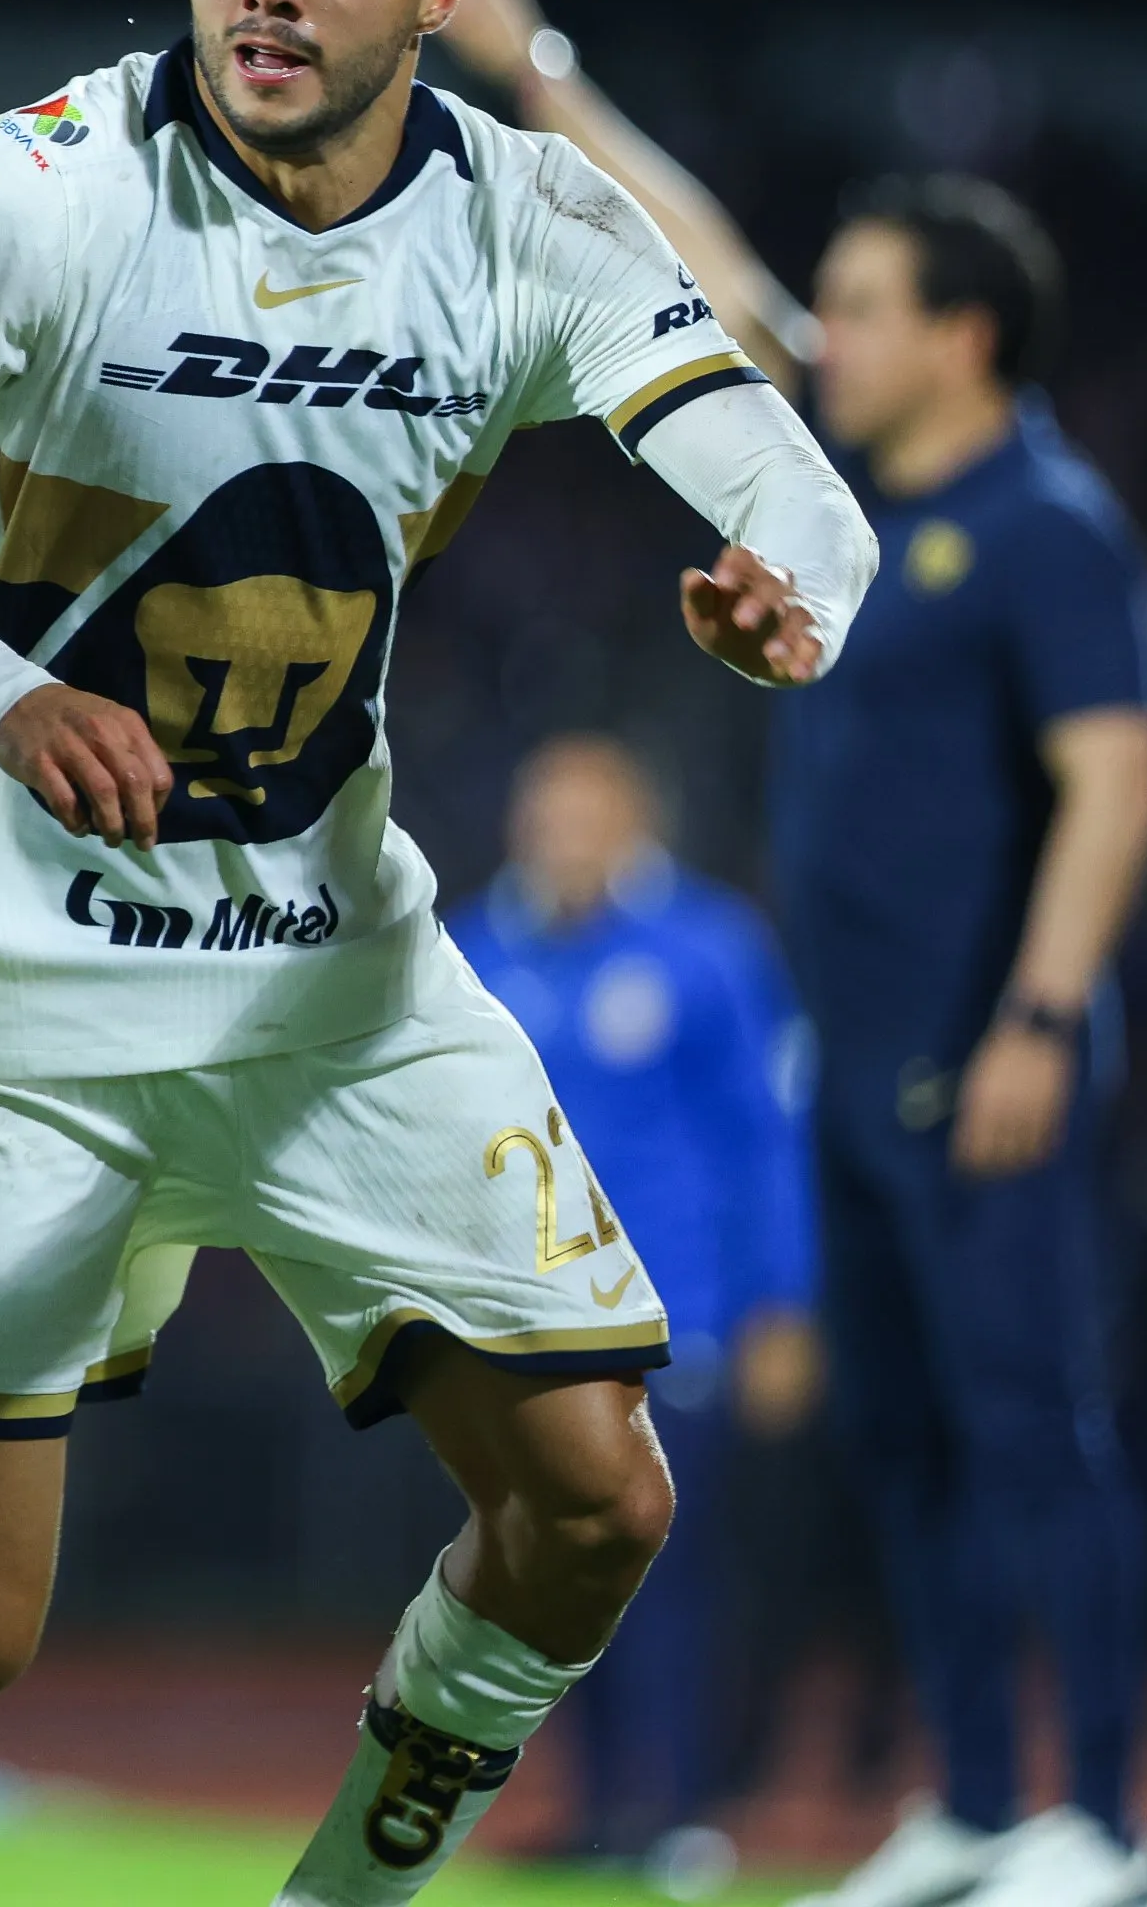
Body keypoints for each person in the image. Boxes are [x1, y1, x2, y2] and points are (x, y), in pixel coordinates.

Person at [0, 0, 879, 1906]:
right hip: (14, 1014)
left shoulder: (521, 222)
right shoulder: (37, 191)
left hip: (334, 993)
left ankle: (346, 1887)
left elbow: (787, 471)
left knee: (598, 1500)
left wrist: (796, 591)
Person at [450, 0, 1147, 1907]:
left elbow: (1115, 781)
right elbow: (700, 266)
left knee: (1035, 1436)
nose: (818, 329)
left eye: (858, 305)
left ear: (962, 336)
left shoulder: (1042, 529)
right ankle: (974, 1801)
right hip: (851, 1064)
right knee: (909, 1447)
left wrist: (1041, 1016)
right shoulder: (849, 490)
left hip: (983, 1052)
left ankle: (1105, 1819)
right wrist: (533, 66)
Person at [454, 734, 819, 1883]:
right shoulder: (471, 951)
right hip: (522, 1331)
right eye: (542, 817)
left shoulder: (707, 949)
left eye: (582, 817)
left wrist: (783, 1303)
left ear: (635, 826)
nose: (558, 840)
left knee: (669, 1572)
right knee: (548, 1577)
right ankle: (603, 1811)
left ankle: (683, 1808)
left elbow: (764, 1139)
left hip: (677, 1320)